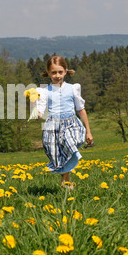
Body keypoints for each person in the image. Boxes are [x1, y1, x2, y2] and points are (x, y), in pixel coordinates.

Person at [35, 56, 93, 190]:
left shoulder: (73, 88)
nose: (57, 75)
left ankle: (65, 181)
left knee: (70, 143)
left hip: (71, 124)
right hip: (53, 126)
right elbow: (40, 112)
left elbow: (81, 110)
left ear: (66, 71)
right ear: (48, 73)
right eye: (54, 72)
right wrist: (34, 107)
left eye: (60, 72)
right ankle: (65, 180)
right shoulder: (44, 92)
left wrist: (88, 131)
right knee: (56, 154)